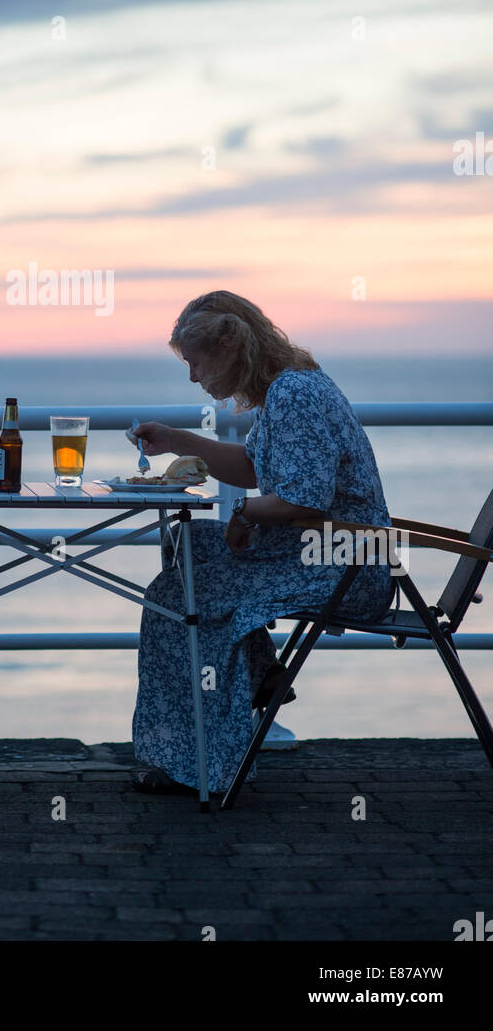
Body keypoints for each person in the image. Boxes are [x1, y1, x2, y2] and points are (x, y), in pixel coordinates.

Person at [129, 291, 396, 800]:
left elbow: (304, 499)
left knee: (173, 599)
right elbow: (254, 470)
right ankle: (260, 673)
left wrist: (244, 512)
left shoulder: (294, 393)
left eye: (196, 361)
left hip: (341, 565)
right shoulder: (289, 387)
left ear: (229, 343)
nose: (194, 376)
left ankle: (201, 763)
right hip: (332, 553)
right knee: (191, 544)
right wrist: (178, 438)